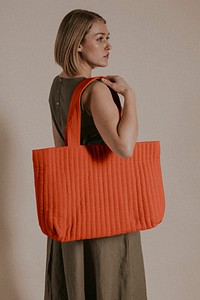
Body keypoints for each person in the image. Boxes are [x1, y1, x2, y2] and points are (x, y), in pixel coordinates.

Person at [45, 9, 147, 300]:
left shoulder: (58, 86)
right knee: (112, 280)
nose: (108, 46)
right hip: (106, 208)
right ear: (78, 43)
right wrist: (130, 96)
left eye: (108, 38)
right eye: (100, 38)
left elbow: (62, 151)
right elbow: (124, 148)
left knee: (76, 282)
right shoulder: (95, 90)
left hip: (72, 209)